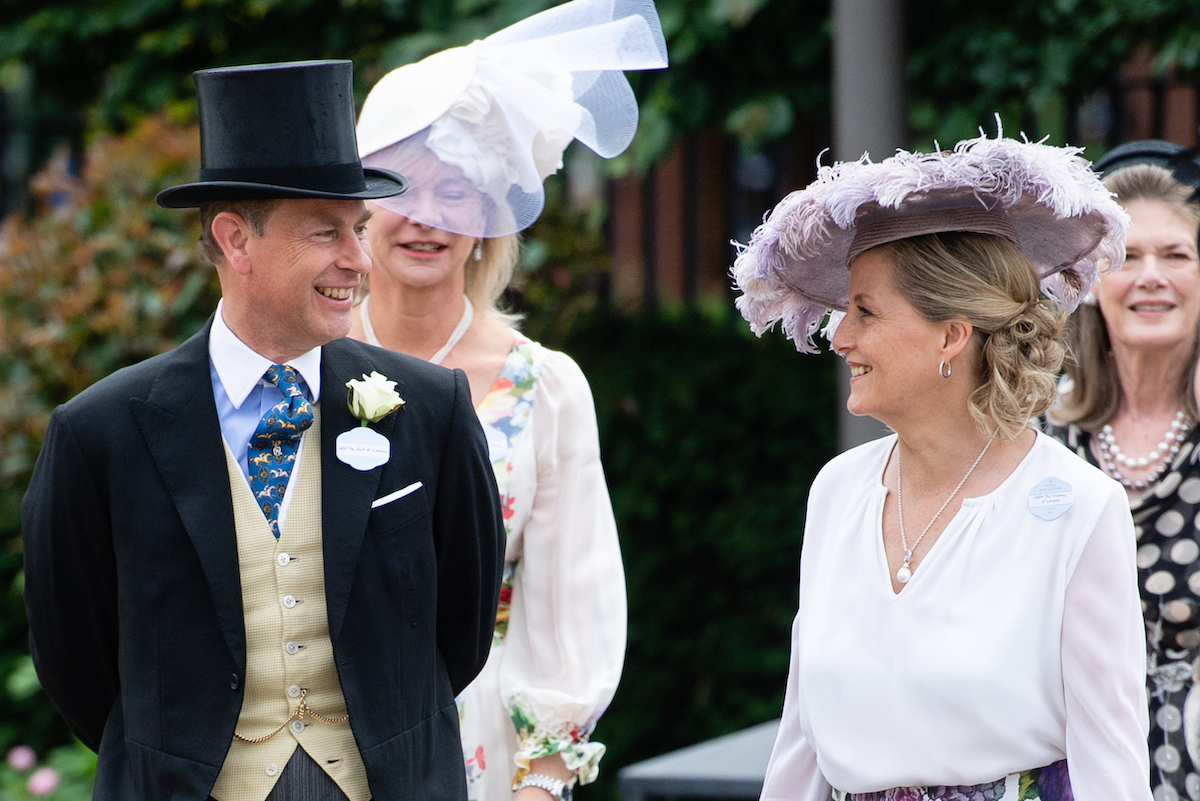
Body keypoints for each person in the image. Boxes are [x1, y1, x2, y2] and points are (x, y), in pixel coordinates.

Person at [21, 60, 505, 801]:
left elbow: (460, 630)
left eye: (358, 229)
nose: (356, 260)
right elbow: (74, 657)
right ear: (235, 241)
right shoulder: (99, 434)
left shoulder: (429, 408)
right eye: (325, 232)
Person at [731, 132, 1152, 801]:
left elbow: (1112, 761)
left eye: (864, 311)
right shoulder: (837, 491)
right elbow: (801, 743)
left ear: (952, 335)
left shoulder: (1079, 508)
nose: (840, 336)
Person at [350, 3, 666, 800]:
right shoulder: (300, 363)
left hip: (482, 742)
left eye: (457, 189)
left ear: (491, 218)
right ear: (360, 205)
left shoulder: (545, 385)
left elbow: (572, 597)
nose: (428, 215)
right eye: (403, 187)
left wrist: (541, 782)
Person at [1045, 141, 1200, 801]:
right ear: (1089, 284)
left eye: (1176, 255)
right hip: (1072, 765)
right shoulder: (1037, 438)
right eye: (1127, 257)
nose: (1150, 276)